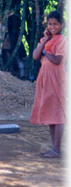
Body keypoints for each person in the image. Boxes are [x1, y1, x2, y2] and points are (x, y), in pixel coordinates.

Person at [31, 10, 66, 158]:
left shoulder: (62, 40)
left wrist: (45, 51)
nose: (52, 27)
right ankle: (54, 149)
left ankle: (57, 150)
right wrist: (44, 42)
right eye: (50, 24)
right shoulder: (46, 40)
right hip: (45, 80)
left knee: (58, 114)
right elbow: (35, 55)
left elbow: (57, 60)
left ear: (61, 25)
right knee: (52, 115)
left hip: (56, 80)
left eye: (55, 24)